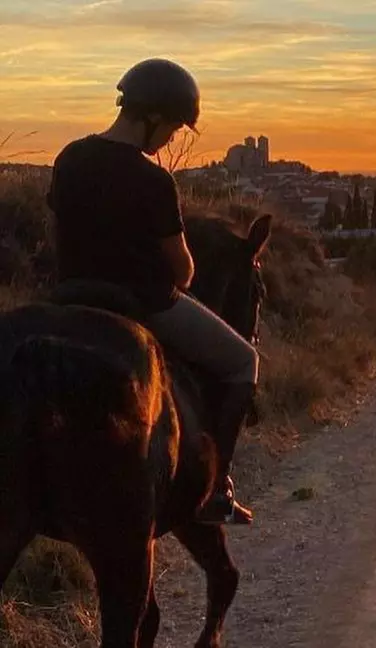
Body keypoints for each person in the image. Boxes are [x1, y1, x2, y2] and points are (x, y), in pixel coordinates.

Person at [46, 58, 258, 525]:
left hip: (68, 299)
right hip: (142, 303)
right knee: (244, 361)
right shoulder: (154, 180)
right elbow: (181, 269)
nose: (171, 139)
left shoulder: (69, 158)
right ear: (154, 118)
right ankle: (216, 489)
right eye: (175, 129)